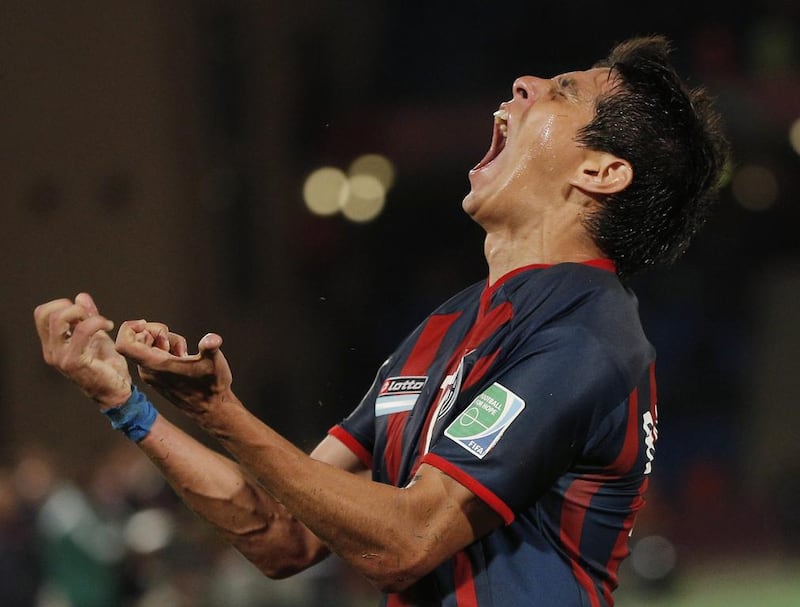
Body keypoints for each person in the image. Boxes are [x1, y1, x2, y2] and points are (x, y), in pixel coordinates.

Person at [34, 35, 728, 606]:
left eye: (564, 90)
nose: (523, 83)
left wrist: (223, 414)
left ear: (603, 173)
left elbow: (406, 541)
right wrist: (128, 404)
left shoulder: (590, 336)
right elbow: (284, 534)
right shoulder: (445, 325)